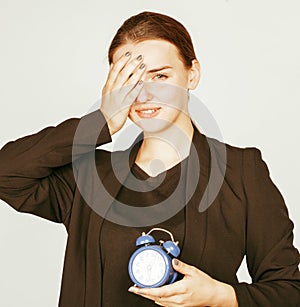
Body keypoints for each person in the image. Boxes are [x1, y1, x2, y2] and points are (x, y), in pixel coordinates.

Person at [0, 11, 299, 307]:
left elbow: (289, 291)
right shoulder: (89, 178)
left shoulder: (242, 173)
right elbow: (7, 173)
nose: (145, 95)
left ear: (192, 74)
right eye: (131, 80)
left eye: (160, 76)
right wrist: (101, 120)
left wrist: (221, 296)